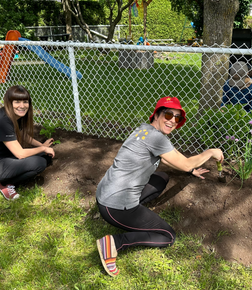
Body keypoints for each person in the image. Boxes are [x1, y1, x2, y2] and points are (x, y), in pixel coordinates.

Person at [96, 96, 224, 277]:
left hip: (105, 194)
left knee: (161, 178)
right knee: (167, 236)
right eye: (168, 114)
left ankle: (127, 214)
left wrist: (191, 170)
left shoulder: (145, 130)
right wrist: (210, 152)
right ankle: (114, 243)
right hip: (115, 207)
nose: (172, 120)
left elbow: (169, 156)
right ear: (157, 114)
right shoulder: (157, 139)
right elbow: (185, 162)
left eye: (177, 118)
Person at [0, 85, 55, 201]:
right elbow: (20, 154)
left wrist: (41, 146)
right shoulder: (3, 121)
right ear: (9, 102)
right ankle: (6, 184)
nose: (22, 106)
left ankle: (6, 180)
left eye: (25, 102)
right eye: (17, 102)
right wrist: (43, 149)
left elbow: (20, 134)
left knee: (45, 157)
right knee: (39, 162)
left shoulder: (14, 115)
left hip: (2, 157)